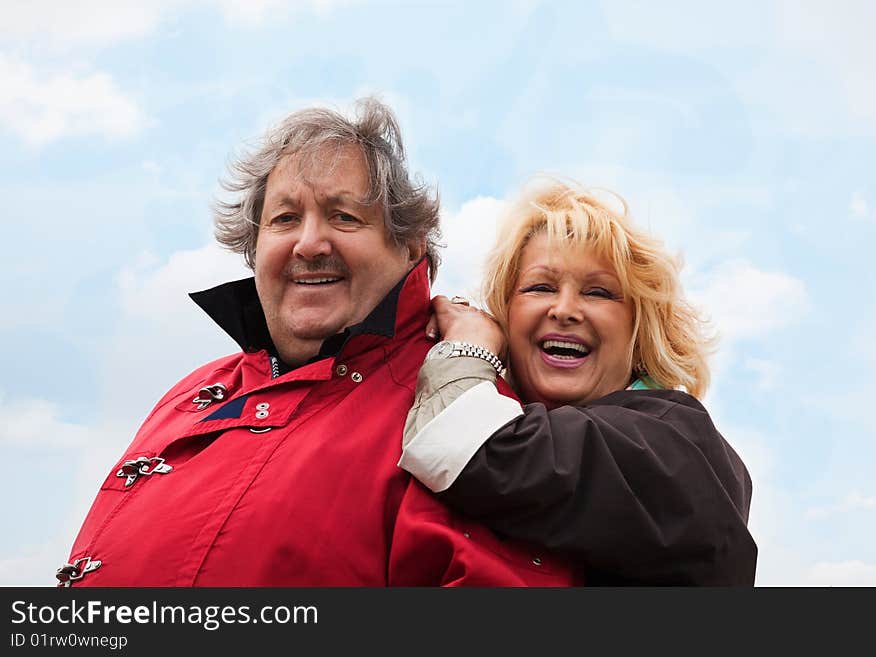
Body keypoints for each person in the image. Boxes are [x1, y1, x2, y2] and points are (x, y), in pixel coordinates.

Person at [57, 98, 580, 587]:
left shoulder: (456, 411)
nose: (309, 243)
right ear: (254, 246)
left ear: (409, 246)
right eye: (285, 218)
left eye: (343, 217)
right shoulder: (191, 392)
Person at [399, 177, 758, 585]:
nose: (565, 309)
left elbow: (468, 449)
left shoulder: (675, 442)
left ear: (641, 333)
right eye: (540, 287)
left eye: (599, 293)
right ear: (506, 318)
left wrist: (467, 346)